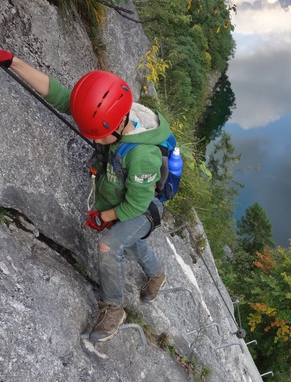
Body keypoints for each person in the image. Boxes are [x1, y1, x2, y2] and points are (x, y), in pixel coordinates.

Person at [0, 49, 173, 343]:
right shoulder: (114, 113)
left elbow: (138, 203)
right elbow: (60, 96)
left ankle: (113, 308)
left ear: (119, 126)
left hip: (144, 207)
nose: (93, 140)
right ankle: (157, 274)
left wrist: (105, 216)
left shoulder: (142, 155)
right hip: (129, 199)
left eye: (99, 135)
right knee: (130, 245)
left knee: (109, 246)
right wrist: (13, 61)